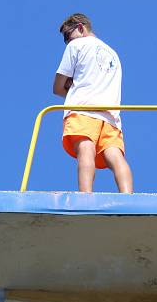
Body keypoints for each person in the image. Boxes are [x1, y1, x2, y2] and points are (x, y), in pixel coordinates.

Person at [53, 13, 133, 193]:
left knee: (85, 149)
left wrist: (70, 84)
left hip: (83, 109)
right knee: (115, 156)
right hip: (111, 115)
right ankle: (128, 196)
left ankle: (85, 197)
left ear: (80, 28)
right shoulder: (113, 54)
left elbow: (57, 87)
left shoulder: (76, 45)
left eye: (68, 35)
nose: (67, 41)